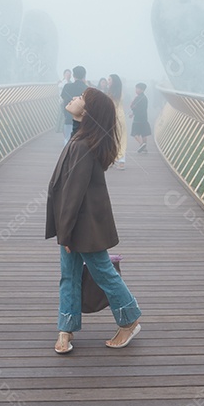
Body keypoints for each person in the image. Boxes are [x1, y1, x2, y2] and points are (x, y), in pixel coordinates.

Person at [46, 87, 142, 354]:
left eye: (81, 99)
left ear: (87, 112)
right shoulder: (82, 138)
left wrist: (64, 234)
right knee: (70, 276)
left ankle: (130, 318)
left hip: (84, 227)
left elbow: (73, 193)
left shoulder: (83, 146)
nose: (74, 98)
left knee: (102, 273)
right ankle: (65, 329)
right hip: (78, 224)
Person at [60, 66, 90, 142]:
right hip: (82, 119)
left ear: (73, 76)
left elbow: (63, 98)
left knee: (67, 140)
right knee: (80, 141)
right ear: (84, 75)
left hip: (69, 117)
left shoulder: (67, 87)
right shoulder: (87, 89)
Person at [107, 74, 127, 170]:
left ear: (114, 81)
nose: (108, 81)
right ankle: (116, 160)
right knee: (117, 138)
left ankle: (118, 160)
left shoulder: (113, 93)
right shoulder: (118, 91)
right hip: (117, 116)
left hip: (115, 116)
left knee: (117, 138)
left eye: (109, 79)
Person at [130, 82, 151, 153]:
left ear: (142, 90)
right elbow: (141, 108)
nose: (136, 90)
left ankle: (141, 144)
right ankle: (145, 148)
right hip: (144, 118)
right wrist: (133, 113)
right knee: (144, 133)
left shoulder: (138, 98)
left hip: (137, 119)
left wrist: (133, 111)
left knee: (135, 133)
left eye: (137, 89)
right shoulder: (145, 98)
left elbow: (132, 107)